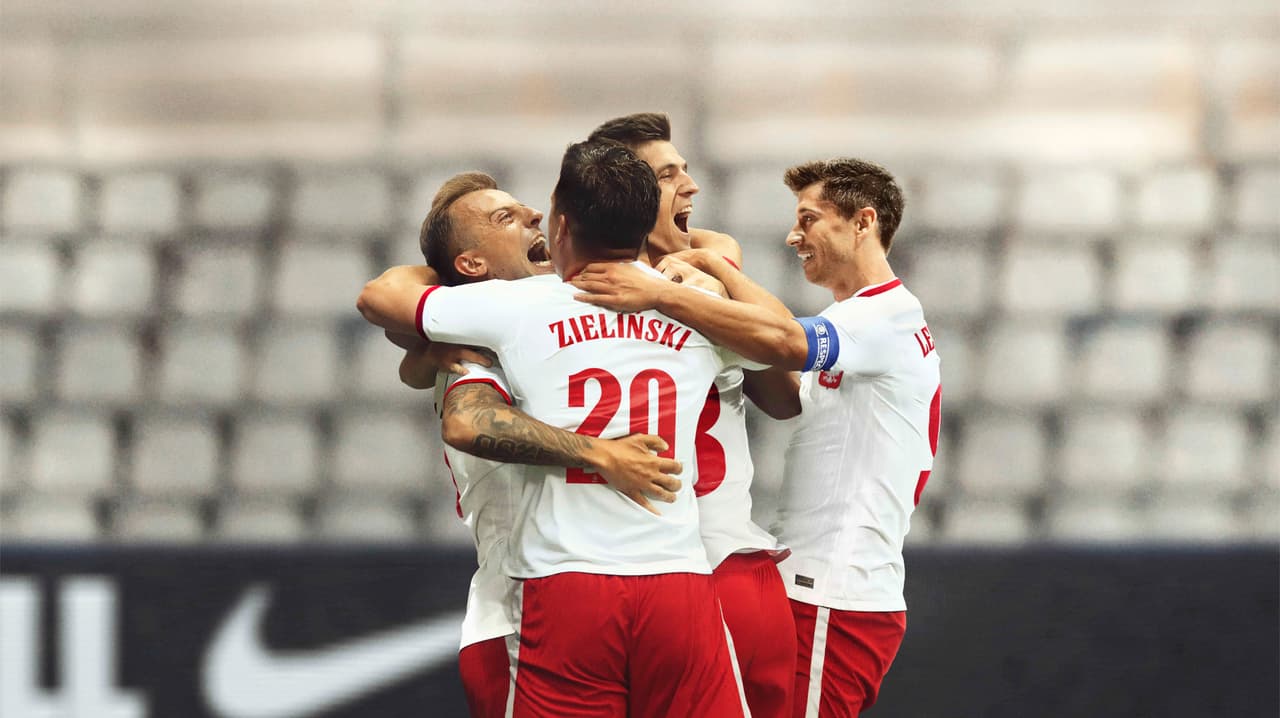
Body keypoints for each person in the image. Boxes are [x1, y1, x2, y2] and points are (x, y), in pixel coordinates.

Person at [357, 140, 753, 717]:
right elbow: (462, 414)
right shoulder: (481, 333)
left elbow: (395, 308)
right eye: (504, 217)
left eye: (530, 209)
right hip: (517, 606)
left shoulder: (516, 317)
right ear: (470, 268)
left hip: (578, 591)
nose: (532, 218)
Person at [570, 157, 941, 718]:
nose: (795, 235)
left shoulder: (882, 320)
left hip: (835, 593)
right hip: (815, 584)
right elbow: (785, 343)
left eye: (809, 219)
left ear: (863, 222)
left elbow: (785, 343)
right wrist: (723, 277)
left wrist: (667, 296)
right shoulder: (864, 317)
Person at [589, 112, 799, 718]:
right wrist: (715, 270)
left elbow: (783, 395)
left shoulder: (564, 292)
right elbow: (786, 391)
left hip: (665, 573)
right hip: (703, 577)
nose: (692, 186)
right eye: (667, 175)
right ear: (621, 196)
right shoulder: (701, 285)